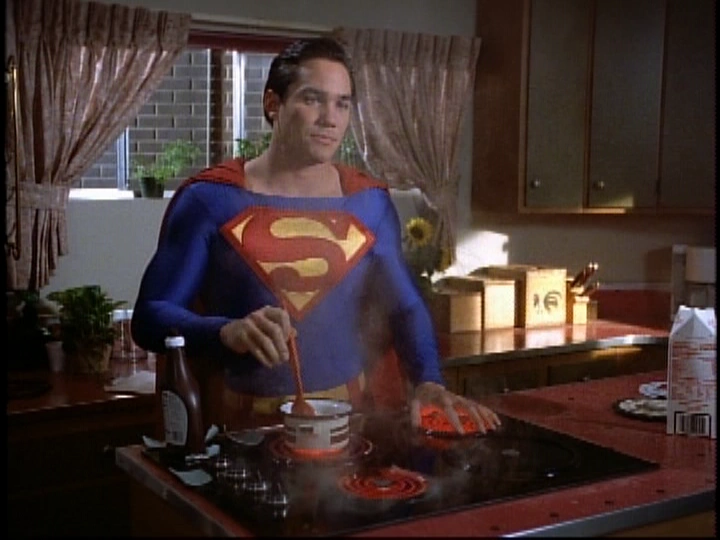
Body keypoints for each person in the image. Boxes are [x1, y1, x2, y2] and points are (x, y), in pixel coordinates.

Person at [131, 36, 500, 435]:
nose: (330, 118)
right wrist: (225, 331)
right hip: (241, 429)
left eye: (342, 103)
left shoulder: (369, 204)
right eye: (313, 99)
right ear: (273, 104)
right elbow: (151, 316)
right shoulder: (211, 200)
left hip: (350, 426)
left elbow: (404, 306)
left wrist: (428, 380)